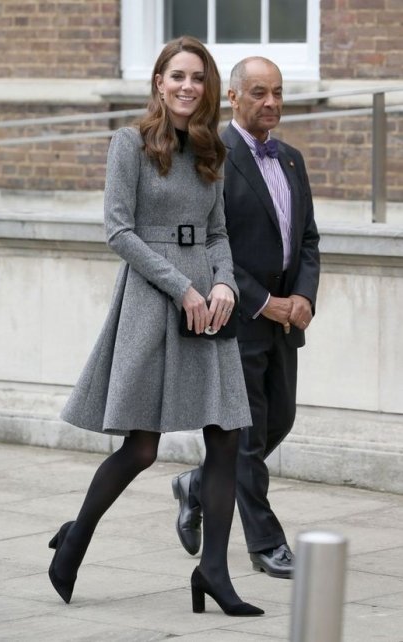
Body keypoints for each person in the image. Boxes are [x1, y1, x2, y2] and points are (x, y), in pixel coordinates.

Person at [48, 37, 263, 617]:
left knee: (226, 435)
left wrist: (224, 284)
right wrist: (182, 287)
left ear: (208, 87)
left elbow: (217, 233)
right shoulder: (130, 143)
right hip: (153, 299)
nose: (188, 86)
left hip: (208, 303)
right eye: (177, 76)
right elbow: (118, 230)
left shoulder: (212, 149)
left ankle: (213, 571)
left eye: (198, 77)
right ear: (159, 83)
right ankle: (76, 538)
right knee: (142, 448)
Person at [172, 56, 320, 579]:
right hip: (238, 317)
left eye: (277, 92)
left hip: (286, 320)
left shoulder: (292, 159)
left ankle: (196, 483)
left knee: (281, 421)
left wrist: (303, 296)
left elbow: (307, 238)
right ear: (234, 97)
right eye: (259, 92)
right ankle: (266, 543)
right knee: (249, 438)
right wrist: (262, 301)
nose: (271, 102)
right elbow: (212, 244)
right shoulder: (210, 156)